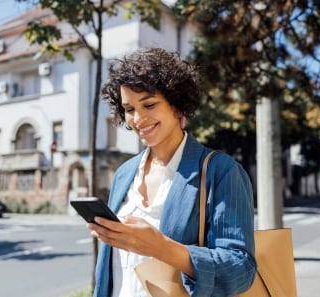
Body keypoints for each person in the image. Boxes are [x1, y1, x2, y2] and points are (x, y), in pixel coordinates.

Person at [88, 47, 256, 297]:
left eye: (149, 104)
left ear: (177, 106)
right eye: (130, 109)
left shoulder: (220, 171)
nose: (138, 118)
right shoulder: (125, 173)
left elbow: (241, 269)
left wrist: (161, 248)